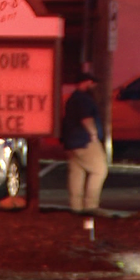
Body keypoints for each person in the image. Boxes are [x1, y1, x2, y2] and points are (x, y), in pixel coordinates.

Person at [60, 72, 108, 215]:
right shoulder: (84, 99)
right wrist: (93, 134)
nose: (94, 87)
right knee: (100, 170)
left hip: (71, 142)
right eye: (93, 84)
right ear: (87, 82)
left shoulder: (72, 98)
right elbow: (86, 119)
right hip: (85, 141)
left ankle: (76, 207)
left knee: (77, 173)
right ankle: (91, 205)